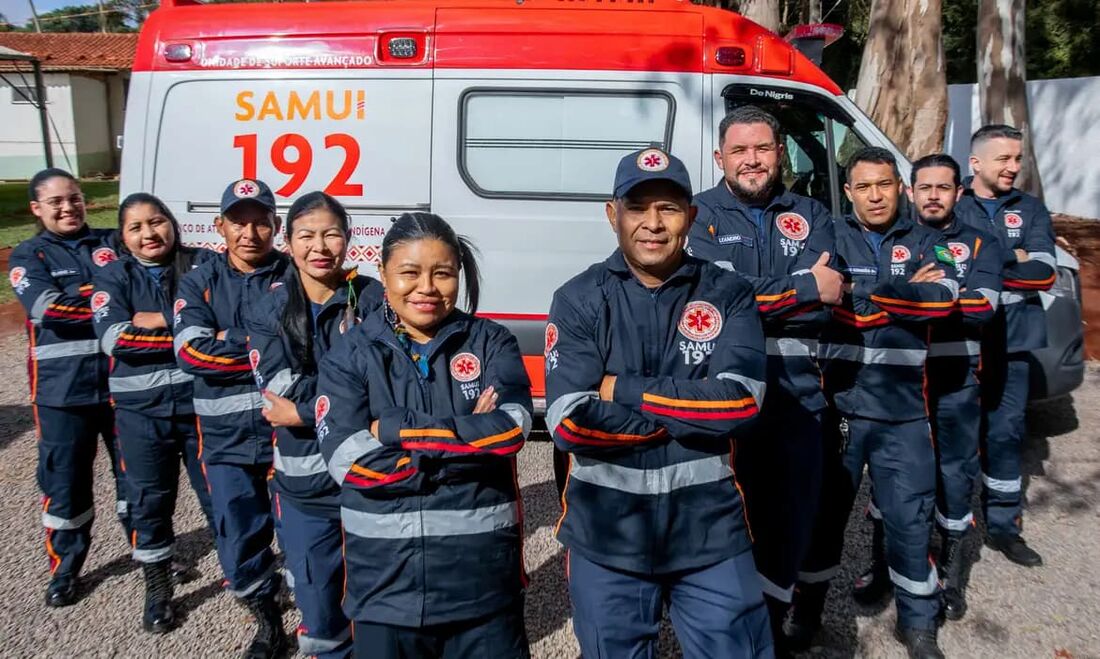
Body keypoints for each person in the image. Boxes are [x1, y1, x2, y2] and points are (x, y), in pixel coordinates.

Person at [547, 148, 771, 658]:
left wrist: (621, 389)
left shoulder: (729, 293)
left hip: (709, 533)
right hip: (607, 538)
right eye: (637, 207)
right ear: (613, 214)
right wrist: (686, 410)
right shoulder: (578, 297)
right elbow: (569, 425)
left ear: (691, 217)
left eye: (668, 208)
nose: (652, 223)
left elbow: (739, 406)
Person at [316, 212, 532, 659]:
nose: (427, 288)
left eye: (443, 273)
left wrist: (392, 430)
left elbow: (511, 430)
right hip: (385, 592)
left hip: (483, 586)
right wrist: (466, 441)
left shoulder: (492, 342)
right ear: (383, 274)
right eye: (409, 273)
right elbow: (349, 462)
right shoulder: (349, 355)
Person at [790, 147, 957, 659]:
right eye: (864, 186)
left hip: (904, 413)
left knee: (909, 522)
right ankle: (808, 618)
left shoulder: (935, 240)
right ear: (848, 192)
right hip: (838, 409)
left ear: (900, 188)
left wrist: (858, 292)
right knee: (822, 523)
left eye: (884, 184)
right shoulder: (829, 238)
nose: (876, 194)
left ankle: (919, 625)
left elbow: (945, 297)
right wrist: (901, 295)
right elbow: (820, 301)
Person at [686, 106, 841, 652]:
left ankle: (771, 632)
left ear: (780, 154)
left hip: (796, 393)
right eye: (739, 150)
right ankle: (721, 629)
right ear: (719, 158)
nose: (752, 160)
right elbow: (711, 298)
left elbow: (829, 303)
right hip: (721, 393)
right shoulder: (697, 214)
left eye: (763, 149)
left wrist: (754, 293)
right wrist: (801, 286)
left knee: (787, 522)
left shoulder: (813, 213)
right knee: (720, 520)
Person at [245, 192, 382, 658]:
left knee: (380, 605)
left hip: (371, 479)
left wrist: (304, 411)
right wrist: (352, 400)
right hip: (305, 488)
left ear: (348, 239)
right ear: (288, 242)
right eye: (306, 235)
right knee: (321, 612)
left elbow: (388, 385)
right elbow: (279, 391)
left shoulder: (375, 299)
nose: (319, 245)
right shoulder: (268, 308)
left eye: (331, 233)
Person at [91, 193, 217, 632]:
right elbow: (116, 340)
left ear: (172, 223)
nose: (149, 234)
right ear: (123, 238)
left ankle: (247, 578)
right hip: (140, 414)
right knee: (150, 501)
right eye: (136, 227)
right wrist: (185, 326)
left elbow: (223, 325)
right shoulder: (112, 275)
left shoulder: (202, 264)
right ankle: (159, 587)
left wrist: (156, 317)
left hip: (201, 407)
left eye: (157, 221)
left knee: (220, 496)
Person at [174, 179, 289, 658]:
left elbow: (308, 348)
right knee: (237, 532)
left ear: (275, 226)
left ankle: (321, 606)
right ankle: (265, 616)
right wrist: (263, 343)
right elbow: (190, 353)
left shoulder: (295, 274)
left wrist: (229, 336)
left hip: (289, 433)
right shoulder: (198, 279)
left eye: (260, 220)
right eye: (238, 221)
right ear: (219, 226)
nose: (249, 231)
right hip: (223, 438)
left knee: (303, 529)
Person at [10, 168, 130, 608]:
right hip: (62, 394)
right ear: (37, 209)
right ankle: (66, 566)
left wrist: (95, 296)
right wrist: (109, 300)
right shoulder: (29, 256)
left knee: (135, 477)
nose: (68, 208)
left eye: (75, 198)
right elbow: (49, 309)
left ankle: (147, 549)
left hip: (121, 386)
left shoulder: (112, 242)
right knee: (65, 483)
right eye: (57, 202)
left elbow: (138, 290)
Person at [954, 124, 1056, 568]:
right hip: (962, 341)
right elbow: (939, 261)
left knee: (1005, 434)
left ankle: (1002, 527)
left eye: (1018, 158)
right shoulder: (953, 202)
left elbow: (1045, 271)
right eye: (1004, 159)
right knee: (954, 437)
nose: (1014, 167)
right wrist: (1011, 257)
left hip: (1014, 341)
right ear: (975, 163)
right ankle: (953, 529)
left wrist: (981, 261)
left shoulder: (1030, 209)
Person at [907, 154, 1001, 620]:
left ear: (958, 193)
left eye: (943, 188)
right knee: (901, 480)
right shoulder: (894, 238)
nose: (933, 196)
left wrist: (913, 296)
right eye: (924, 187)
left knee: (954, 475)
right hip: (899, 382)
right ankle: (892, 566)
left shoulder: (982, 243)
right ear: (911, 192)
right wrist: (926, 292)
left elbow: (982, 308)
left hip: (956, 379)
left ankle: (952, 570)